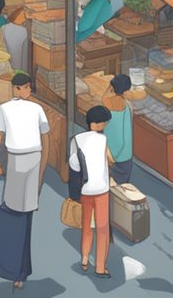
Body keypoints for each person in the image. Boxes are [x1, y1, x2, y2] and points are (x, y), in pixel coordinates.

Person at [0, 72, 49, 290]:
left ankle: (17, 270)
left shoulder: (7, 109)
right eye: (25, 87)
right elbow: (46, 141)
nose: (28, 91)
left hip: (20, 161)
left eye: (29, 87)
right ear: (16, 88)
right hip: (29, 160)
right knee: (23, 216)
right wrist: (41, 171)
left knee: (16, 214)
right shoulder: (33, 109)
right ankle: (20, 271)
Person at [70, 106, 115, 279]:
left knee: (86, 225)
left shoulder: (76, 140)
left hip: (84, 189)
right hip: (102, 189)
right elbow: (110, 160)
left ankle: (84, 258)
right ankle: (100, 268)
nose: (104, 125)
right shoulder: (102, 140)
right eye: (103, 122)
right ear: (96, 123)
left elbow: (74, 164)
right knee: (102, 228)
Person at [102, 74, 135, 183]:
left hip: (108, 153)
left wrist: (111, 157)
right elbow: (124, 137)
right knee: (121, 186)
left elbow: (104, 97)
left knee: (107, 184)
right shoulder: (127, 107)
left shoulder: (106, 102)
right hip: (124, 156)